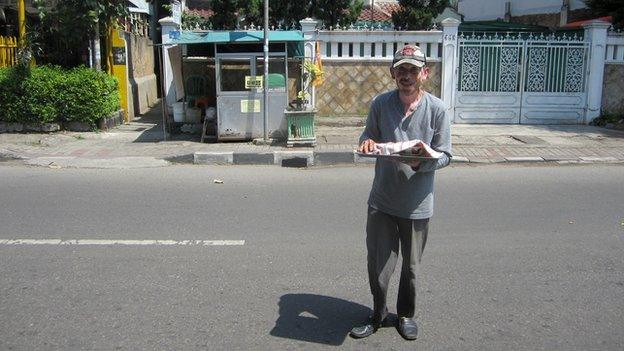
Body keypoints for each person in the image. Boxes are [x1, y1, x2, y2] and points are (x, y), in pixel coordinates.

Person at [350, 45, 452, 340]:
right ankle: (378, 313)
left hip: (417, 203)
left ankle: (406, 314)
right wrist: (367, 142)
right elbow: (368, 135)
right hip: (381, 200)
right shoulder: (380, 104)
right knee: (378, 264)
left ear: (425, 73)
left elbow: (446, 155)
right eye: (401, 69)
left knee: (411, 268)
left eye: (413, 69)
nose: (406, 75)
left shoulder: (437, 109)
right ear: (393, 73)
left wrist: (423, 162)